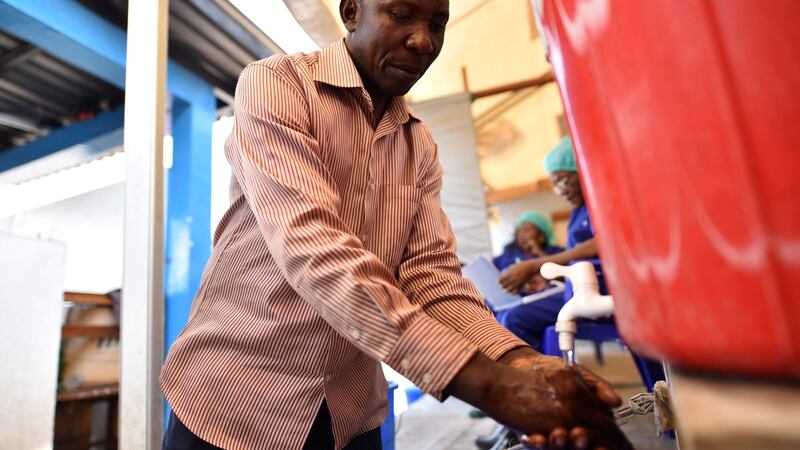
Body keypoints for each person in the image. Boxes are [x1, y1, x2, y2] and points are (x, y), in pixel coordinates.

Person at [160, 1, 631, 449]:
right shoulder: (276, 85)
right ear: (351, 12)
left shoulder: (418, 144)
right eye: (402, 14)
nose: (424, 41)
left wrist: (524, 366)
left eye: (439, 24)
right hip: (233, 404)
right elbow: (312, 248)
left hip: (350, 412)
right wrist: (494, 388)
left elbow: (433, 280)